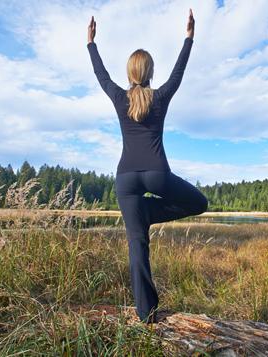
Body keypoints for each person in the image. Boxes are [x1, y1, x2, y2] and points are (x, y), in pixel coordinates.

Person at [87, 9, 208, 324]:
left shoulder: (118, 97)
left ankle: (146, 315)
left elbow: (102, 76)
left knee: (136, 245)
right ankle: (148, 213)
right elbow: (178, 73)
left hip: (125, 179)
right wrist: (189, 37)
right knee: (199, 202)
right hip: (157, 174)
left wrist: (91, 44)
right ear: (151, 72)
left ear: (129, 72)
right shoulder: (161, 96)